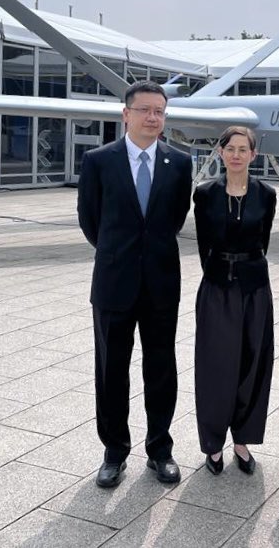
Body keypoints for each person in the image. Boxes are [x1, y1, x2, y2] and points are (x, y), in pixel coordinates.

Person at [77, 80, 193, 488]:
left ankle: (160, 449)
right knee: (111, 371)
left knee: (161, 369)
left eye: (159, 111)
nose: (152, 117)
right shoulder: (98, 160)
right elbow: (91, 222)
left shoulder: (179, 163)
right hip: (114, 283)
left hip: (161, 283)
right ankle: (114, 451)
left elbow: (175, 220)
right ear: (125, 114)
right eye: (144, 110)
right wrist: (119, 254)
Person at [193, 126, 277, 476]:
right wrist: (219, 272)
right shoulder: (205, 194)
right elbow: (202, 244)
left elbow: (265, 239)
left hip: (255, 288)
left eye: (245, 149)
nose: (238, 155)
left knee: (252, 364)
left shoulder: (267, 195)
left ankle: (242, 439)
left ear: (253, 155)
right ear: (221, 152)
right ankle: (213, 444)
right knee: (215, 366)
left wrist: (245, 271)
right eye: (231, 148)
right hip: (216, 288)